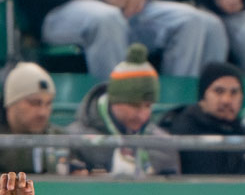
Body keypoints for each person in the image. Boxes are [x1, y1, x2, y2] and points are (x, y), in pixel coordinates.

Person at [30, 0, 232, 80]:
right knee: (107, 19)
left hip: (131, 9)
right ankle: (113, 110)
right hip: (60, 8)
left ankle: (179, 113)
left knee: (196, 22)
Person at [69, 44, 181, 175]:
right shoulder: (75, 139)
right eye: (134, 106)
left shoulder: (164, 146)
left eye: (148, 106)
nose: (142, 115)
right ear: (114, 101)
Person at [0, 62, 79, 175]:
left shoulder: (59, 139)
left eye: (48, 103)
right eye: (34, 103)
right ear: (11, 103)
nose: (43, 112)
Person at [158, 61, 245, 175]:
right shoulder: (180, 130)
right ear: (203, 97)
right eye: (219, 91)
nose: (227, 100)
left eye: (234, 92)